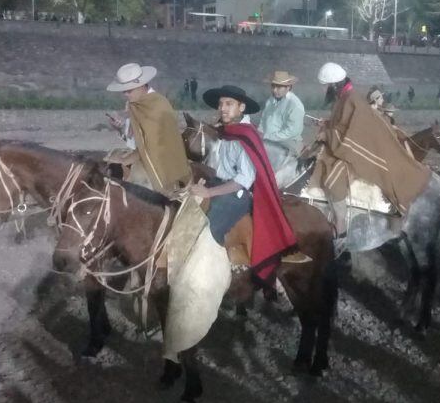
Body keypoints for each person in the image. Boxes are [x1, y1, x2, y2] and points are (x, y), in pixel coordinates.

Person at [191, 85, 306, 283]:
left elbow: (244, 180)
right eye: (221, 104)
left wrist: (209, 193)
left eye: (229, 104)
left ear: (241, 107)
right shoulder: (229, 132)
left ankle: (213, 277)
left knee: (208, 231)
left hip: (236, 195)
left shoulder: (245, 135)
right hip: (219, 183)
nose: (223, 108)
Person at [309, 63, 430, 238]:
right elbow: (341, 126)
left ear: (335, 84)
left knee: (332, 182)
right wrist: (326, 124)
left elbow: (352, 137)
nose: (324, 89)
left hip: (352, 152)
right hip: (342, 146)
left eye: (326, 85)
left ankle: (341, 228)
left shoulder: (352, 100)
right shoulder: (344, 97)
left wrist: (327, 136)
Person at [106, 63, 191, 193]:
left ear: (141, 85)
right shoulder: (137, 104)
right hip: (141, 154)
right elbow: (138, 137)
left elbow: (153, 145)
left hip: (163, 162)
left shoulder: (158, 105)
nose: (126, 94)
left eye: (129, 90)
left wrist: (124, 160)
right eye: (124, 91)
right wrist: (121, 127)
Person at [258, 70, 305, 169]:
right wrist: (259, 134)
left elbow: (291, 132)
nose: (275, 90)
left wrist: (266, 136)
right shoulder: (271, 100)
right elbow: (263, 120)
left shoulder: (295, 105)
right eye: (273, 86)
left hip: (289, 142)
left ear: (288, 87)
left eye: (279, 87)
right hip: (268, 140)